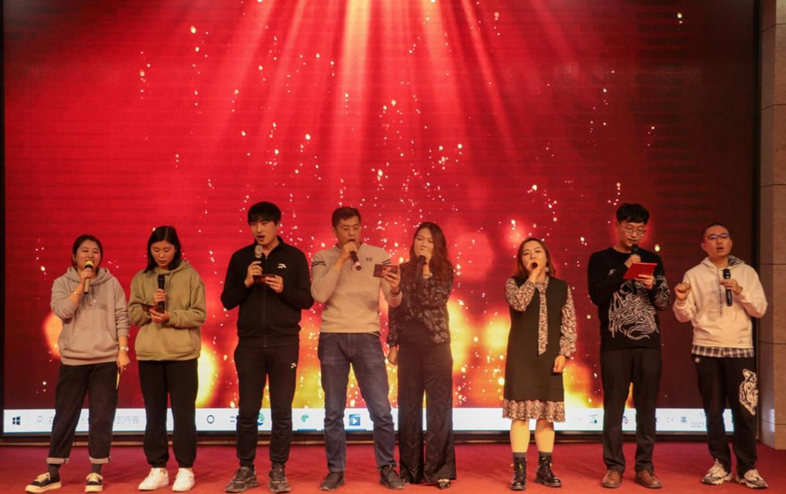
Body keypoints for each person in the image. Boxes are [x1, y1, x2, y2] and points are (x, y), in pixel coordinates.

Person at [25, 235, 130, 494]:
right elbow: (62, 311)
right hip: (73, 360)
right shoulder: (62, 283)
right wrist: (81, 285)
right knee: (65, 415)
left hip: (106, 360)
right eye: (84, 251)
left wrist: (123, 350)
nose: (90, 256)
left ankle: (96, 471)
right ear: (74, 256)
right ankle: (53, 473)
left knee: (101, 417)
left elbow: (121, 316)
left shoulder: (111, 283)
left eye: (95, 251)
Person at [221, 202, 314, 494]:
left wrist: (284, 289)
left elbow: (307, 300)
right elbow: (227, 300)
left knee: (282, 410)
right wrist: (247, 281)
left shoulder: (294, 257)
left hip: (284, 344)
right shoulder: (241, 258)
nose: (259, 229)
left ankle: (278, 468)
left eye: (264, 223)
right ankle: (246, 468)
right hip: (249, 344)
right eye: (254, 223)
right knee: (247, 410)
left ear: (277, 225)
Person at [311, 206, 405, 491]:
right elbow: (319, 294)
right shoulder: (322, 257)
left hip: (367, 336)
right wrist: (341, 260)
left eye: (355, 227)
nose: (351, 233)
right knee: (333, 411)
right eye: (345, 229)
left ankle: (387, 467)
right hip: (333, 336)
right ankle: (335, 471)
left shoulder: (379, 255)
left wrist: (396, 289)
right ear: (334, 231)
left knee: (381, 409)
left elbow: (393, 301)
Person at [673, 223, 768, 489]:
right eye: (712, 237)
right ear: (703, 245)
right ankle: (721, 464)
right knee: (713, 411)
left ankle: (747, 467)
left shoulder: (746, 272)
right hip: (706, 349)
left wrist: (740, 291)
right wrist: (680, 299)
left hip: (740, 349)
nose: (719, 241)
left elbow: (760, 309)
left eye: (724, 236)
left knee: (745, 411)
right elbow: (684, 317)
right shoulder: (694, 274)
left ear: (731, 242)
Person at [587, 203, 669, 489]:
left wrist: (652, 286)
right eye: (629, 228)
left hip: (648, 343)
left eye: (640, 230)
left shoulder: (653, 260)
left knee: (647, 408)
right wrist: (624, 268)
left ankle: (645, 467)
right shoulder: (600, 259)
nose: (634, 234)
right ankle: (614, 467)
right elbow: (598, 295)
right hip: (615, 344)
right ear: (618, 226)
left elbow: (663, 302)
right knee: (613, 407)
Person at [129, 226, 206, 492]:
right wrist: (150, 307)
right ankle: (158, 468)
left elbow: (199, 314)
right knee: (154, 415)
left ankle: (185, 469)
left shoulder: (190, 276)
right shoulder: (141, 278)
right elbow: (133, 315)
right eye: (156, 250)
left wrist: (172, 317)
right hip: (150, 355)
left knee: (183, 414)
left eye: (166, 249)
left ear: (176, 249)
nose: (161, 255)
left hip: (182, 355)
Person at [504, 238, 577, 491]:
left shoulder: (561, 287)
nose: (532, 256)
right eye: (526, 253)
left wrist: (564, 353)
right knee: (521, 415)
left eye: (537, 251)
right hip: (521, 357)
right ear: (521, 261)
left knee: (547, 415)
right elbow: (519, 303)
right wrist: (533, 278)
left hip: (550, 358)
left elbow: (569, 323)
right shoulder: (514, 283)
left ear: (547, 256)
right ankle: (519, 472)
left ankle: (544, 469)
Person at [388, 222, 456, 490]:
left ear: (437, 245)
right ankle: (409, 469)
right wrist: (393, 343)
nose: (423, 244)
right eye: (419, 239)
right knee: (408, 407)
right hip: (409, 346)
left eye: (429, 241)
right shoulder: (402, 270)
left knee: (439, 407)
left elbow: (434, 299)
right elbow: (396, 310)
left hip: (437, 345)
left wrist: (425, 270)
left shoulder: (444, 270)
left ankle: (439, 470)